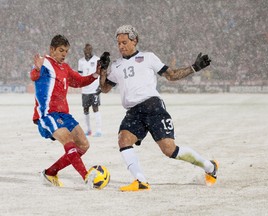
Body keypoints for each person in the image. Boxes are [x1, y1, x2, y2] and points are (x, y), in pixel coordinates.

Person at [99, 25, 218, 192]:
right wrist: (103, 70)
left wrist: (194, 68)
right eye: (118, 43)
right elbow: (104, 88)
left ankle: (209, 166)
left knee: (170, 150)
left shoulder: (148, 58)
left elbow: (171, 75)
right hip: (133, 112)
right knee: (123, 140)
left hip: (153, 106)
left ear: (135, 41)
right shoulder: (117, 65)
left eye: (124, 42)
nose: (121, 46)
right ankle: (140, 181)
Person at [30, 35, 101, 187]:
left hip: (64, 114)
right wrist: (37, 68)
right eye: (61, 50)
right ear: (52, 49)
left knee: (83, 145)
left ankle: (50, 173)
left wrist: (96, 74)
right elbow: (34, 75)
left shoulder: (65, 68)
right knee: (68, 140)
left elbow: (80, 81)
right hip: (48, 114)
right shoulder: (45, 63)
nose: (64, 54)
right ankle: (86, 177)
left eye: (66, 51)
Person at [78, 43, 102, 137]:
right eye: (86, 50)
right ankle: (88, 130)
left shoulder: (97, 60)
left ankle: (99, 130)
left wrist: (100, 85)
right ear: (84, 50)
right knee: (85, 110)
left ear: (91, 50)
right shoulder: (81, 61)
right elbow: (80, 75)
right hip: (85, 90)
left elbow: (100, 73)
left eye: (89, 49)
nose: (87, 51)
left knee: (95, 109)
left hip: (94, 89)